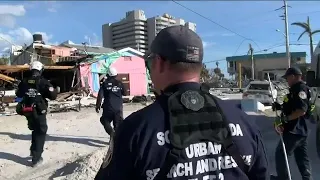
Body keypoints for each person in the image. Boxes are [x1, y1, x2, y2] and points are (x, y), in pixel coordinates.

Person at [95, 25, 269, 180]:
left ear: (159, 63)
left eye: (149, 64)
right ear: (199, 66)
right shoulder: (244, 120)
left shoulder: (135, 129)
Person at [272, 67, 313, 180]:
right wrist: (278, 106)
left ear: (293, 77)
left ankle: (283, 178)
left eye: (287, 78)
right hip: (301, 131)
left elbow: (301, 110)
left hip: (295, 130)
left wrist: (286, 119)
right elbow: (290, 106)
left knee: (281, 154)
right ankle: (307, 178)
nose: (287, 81)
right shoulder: (294, 90)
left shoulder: (300, 89)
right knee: (301, 158)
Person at [15, 61, 57, 167]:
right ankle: (36, 159)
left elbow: (18, 94)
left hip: (27, 111)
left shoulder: (24, 81)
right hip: (38, 111)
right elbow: (53, 96)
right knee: (41, 131)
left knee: (35, 130)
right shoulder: (43, 82)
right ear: (40, 70)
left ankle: (33, 151)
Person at [96, 67, 126, 137]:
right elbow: (125, 93)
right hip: (118, 108)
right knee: (118, 125)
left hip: (108, 107)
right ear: (116, 75)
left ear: (108, 75)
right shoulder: (120, 83)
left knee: (104, 120)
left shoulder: (105, 84)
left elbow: (100, 96)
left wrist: (98, 106)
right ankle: (117, 139)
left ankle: (111, 133)